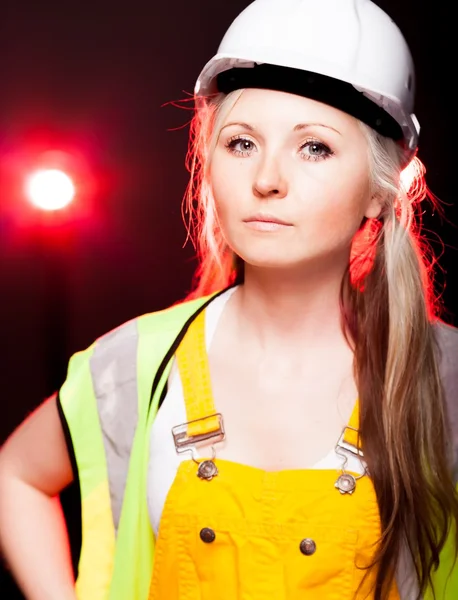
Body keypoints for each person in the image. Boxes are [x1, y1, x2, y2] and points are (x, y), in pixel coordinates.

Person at [0, 0, 457, 598]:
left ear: (379, 190)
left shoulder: (443, 376)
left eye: (314, 147)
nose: (267, 179)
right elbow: (16, 475)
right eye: (242, 143)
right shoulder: (138, 364)